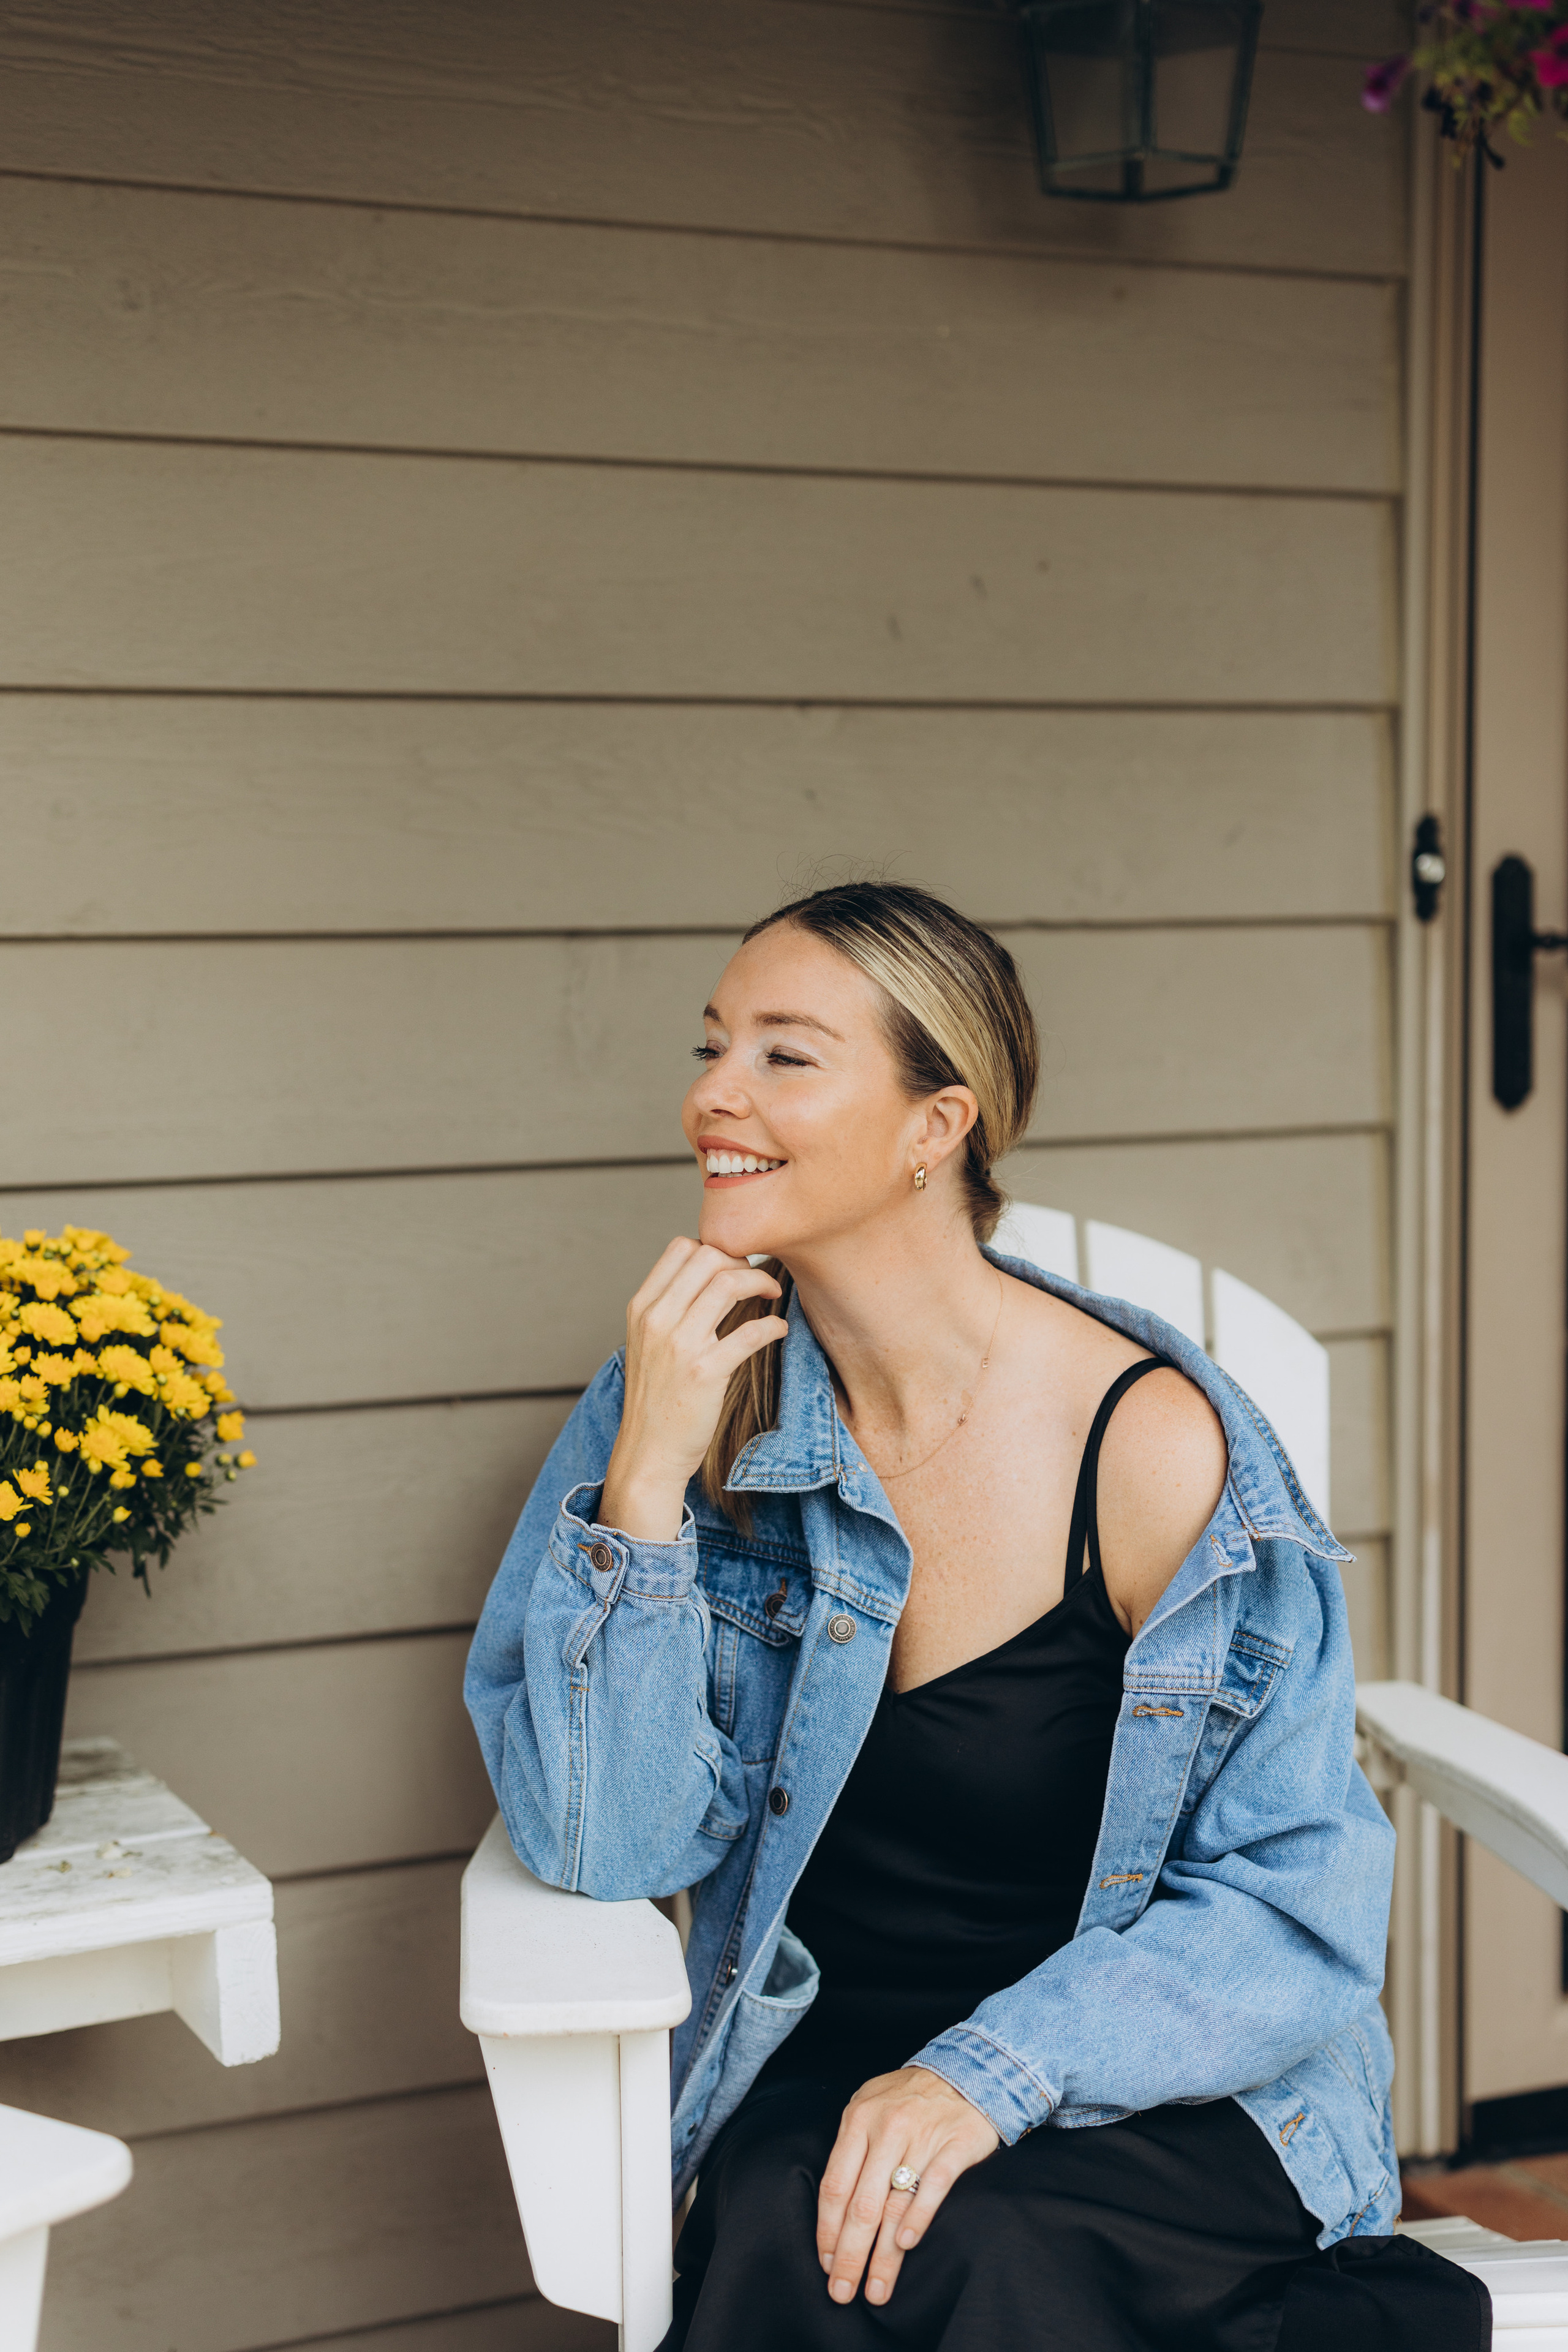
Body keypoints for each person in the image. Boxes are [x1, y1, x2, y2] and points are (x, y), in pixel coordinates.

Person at [466, 883, 1486, 2349]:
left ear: (934, 1125)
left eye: (783, 1056)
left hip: (1152, 2076)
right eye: (711, 1048)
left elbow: (1290, 1909)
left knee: (979, 2249)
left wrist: (989, 2075)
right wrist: (641, 1489)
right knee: (797, 2222)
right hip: (825, 2070)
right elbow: (600, 1844)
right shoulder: (685, 1396)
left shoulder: (1148, 1450)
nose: (712, 1097)